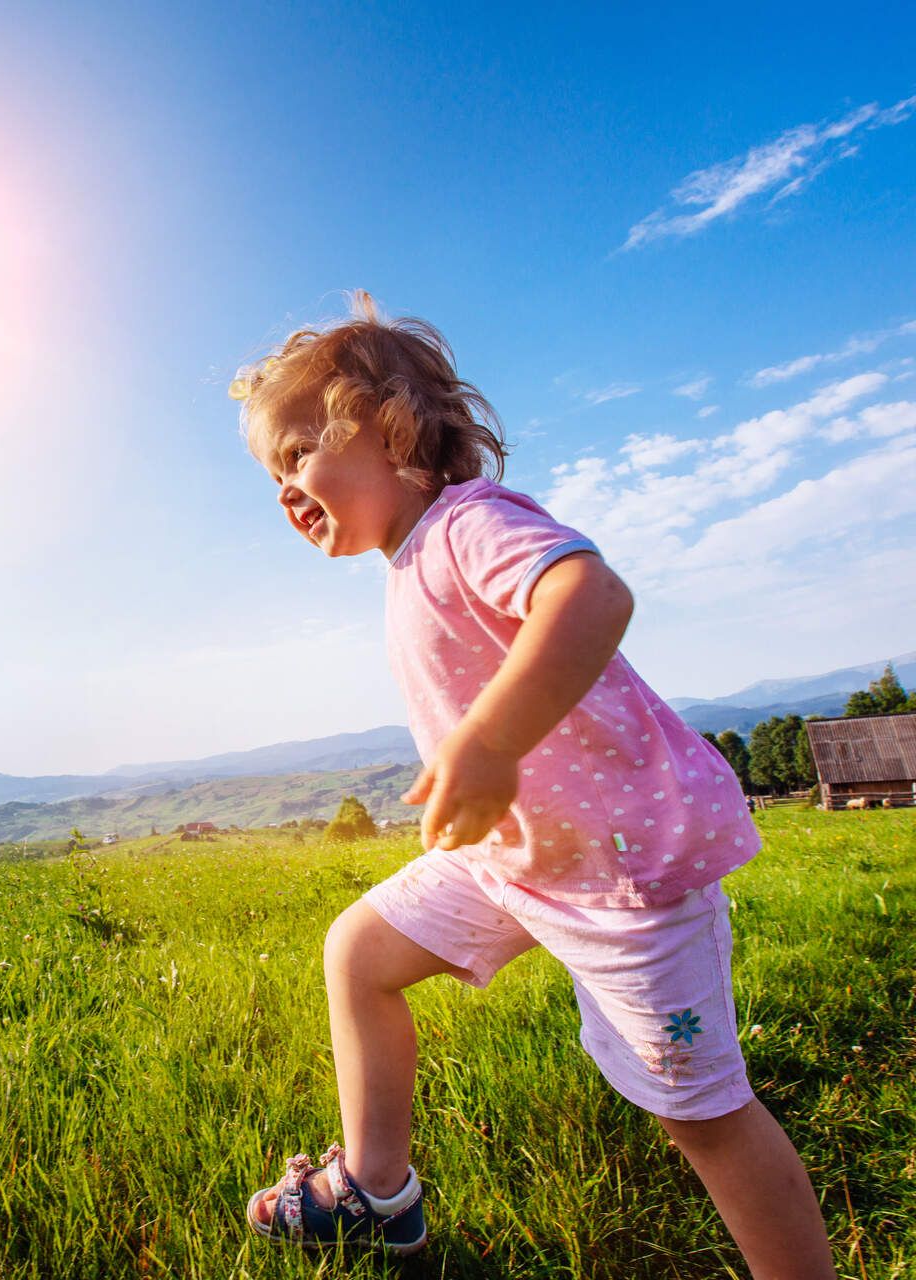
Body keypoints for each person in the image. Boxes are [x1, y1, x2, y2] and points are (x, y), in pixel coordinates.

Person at [230, 294, 835, 1277]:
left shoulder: (469, 523)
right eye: (270, 472)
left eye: (297, 452)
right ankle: (376, 1194)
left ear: (388, 427)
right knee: (359, 951)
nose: (283, 487)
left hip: (617, 877)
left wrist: (491, 738)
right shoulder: (409, 561)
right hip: (512, 859)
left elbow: (590, 593)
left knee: (701, 1117)